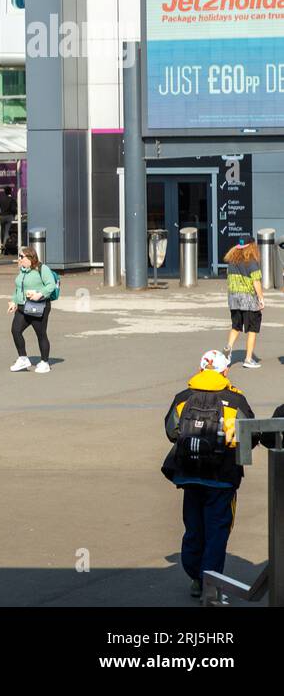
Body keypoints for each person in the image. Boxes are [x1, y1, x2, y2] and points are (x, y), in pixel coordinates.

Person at [161, 350, 258, 603]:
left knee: (194, 527)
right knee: (217, 530)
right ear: (225, 371)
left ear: (201, 369)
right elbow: (250, 433)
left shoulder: (183, 397)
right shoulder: (236, 401)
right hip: (222, 477)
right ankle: (210, 582)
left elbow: (172, 431)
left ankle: (195, 575)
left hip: (189, 475)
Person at [7, 246, 59, 374]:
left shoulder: (42, 269)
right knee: (15, 330)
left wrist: (39, 294)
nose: (19, 259)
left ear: (30, 257)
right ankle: (23, 358)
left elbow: (51, 285)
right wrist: (14, 301)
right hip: (22, 307)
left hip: (39, 305)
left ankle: (44, 362)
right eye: (18, 256)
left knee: (41, 334)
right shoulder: (22, 271)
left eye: (21, 257)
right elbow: (18, 288)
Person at [223, 239, 265, 369]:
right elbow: (256, 281)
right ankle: (248, 358)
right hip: (249, 301)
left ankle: (228, 349)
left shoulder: (232, 261)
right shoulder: (251, 262)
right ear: (251, 247)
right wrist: (261, 298)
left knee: (235, 326)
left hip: (234, 299)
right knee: (252, 328)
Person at [0, 186, 19, 255]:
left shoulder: (1, 199)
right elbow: (14, 209)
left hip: (2, 217)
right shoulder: (12, 199)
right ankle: (6, 247)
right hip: (9, 217)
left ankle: (4, 245)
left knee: (4, 232)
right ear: (10, 191)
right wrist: (15, 214)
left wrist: (0, 213)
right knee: (7, 232)